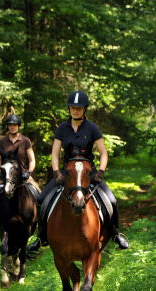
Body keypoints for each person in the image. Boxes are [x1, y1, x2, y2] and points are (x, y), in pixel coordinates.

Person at [28, 90, 129, 251]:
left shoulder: (92, 128)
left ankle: (116, 233)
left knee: (112, 201)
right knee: (41, 200)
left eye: (79, 108)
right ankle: (41, 237)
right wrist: (56, 173)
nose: (76, 110)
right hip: (67, 173)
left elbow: (103, 153)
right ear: (69, 109)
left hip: (89, 173)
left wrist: (100, 172)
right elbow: (55, 154)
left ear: (84, 109)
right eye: (73, 107)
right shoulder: (62, 129)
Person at [0, 114, 40, 237]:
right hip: (6, 175)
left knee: (38, 193)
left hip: (23, 175)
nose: (12, 127)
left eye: (14, 125)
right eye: (10, 125)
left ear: (18, 126)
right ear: (7, 126)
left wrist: (28, 172)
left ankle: (41, 224)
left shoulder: (25, 141)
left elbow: (32, 160)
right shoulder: (2, 141)